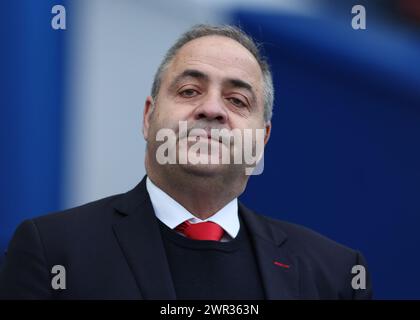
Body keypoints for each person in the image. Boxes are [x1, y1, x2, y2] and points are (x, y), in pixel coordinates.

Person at [0, 24, 372, 299]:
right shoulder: (52, 252)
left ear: (261, 141)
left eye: (237, 101)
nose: (211, 109)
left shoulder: (334, 275)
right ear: (149, 117)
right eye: (189, 91)